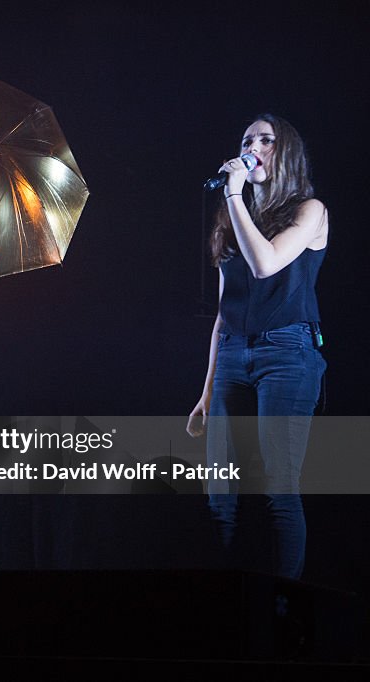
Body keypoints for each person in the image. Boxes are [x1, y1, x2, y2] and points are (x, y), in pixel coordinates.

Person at [187, 114, 328, 580]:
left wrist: (233, 193)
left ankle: (287, 613)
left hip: (287, 354)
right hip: (233, 352)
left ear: (285, 152)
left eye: (266, 140)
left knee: (277, 485)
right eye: (247, 139)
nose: (254, 147)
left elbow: (267, 264)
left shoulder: (310, 211)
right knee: (219, 492)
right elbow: (226, 309)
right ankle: (225, 613)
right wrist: (207, 390)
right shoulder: (234, 217)